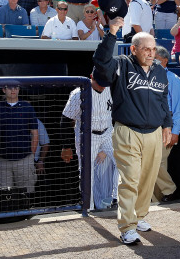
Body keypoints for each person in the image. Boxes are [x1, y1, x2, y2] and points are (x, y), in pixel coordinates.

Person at [92, 18, 172, 244]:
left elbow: (163, 100)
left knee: (147, 179)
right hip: (127, 130)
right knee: (130, 179)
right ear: (134, 49)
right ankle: (127, 226)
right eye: (146, 49)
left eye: (153, 49)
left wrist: (167, 124)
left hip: (154, 132)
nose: (150, 53)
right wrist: (112, 33)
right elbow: (100, 62)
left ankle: (139, 216)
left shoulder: (159, 70)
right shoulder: (121, 64)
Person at [61, 76, 119, 210]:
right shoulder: (79, 94)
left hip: (107, 131)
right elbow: (65, 120)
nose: (103, 86)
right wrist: (66, 145)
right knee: (87, 173)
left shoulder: (111, 89)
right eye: (100, 83)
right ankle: (89, 207)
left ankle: (116, 198)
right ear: (92, 77)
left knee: (123, 161)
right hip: (88, 135)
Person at [0, 85, 38, 194]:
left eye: (16, 87)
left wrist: (31, 156)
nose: (13, 90)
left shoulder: (27, 107)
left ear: (19, 89)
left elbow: (35, 133)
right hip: (1, 161)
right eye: (10, 87)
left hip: (24, 159)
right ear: (3, 89)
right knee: (4, 197)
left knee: (26, 195)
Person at [154, 46, 180, 202]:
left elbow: (179, 109)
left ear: (165, 61)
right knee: (156, 161)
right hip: (150, 125)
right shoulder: (147, 77)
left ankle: (170, 190)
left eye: (155, 59)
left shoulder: (173, 79)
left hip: (167, 125)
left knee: (156, 161)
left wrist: (175, 132)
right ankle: (156, 199)